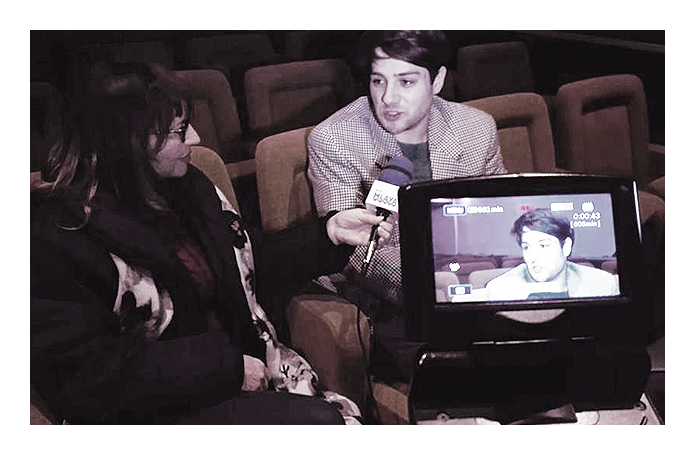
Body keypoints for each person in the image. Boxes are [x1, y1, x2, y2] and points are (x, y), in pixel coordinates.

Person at [30, 61, 394, 425]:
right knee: (319, 423)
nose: (195, 139)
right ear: (129, 144)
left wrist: (329, 233)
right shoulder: (59, 234)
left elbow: (245, 265)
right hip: (159, 409)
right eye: (178, 131)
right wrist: (227, 368)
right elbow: (87, 379)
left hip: (232, 374)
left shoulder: (186, 186)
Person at [307, 31, 506, 382]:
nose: (388, 98)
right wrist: (434, 286)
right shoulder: (334, 139)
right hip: (384, 300)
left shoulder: (476, 128)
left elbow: (498, 216)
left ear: (437, 81)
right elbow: (354, 250)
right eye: (378, 81)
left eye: (406, 81)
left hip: (473, 283)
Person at [486, 209, 619, 301]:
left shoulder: (602, 284)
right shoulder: (501, 290)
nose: (533, 257)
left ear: (566, 247)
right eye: (526, 247)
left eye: (543, 245)